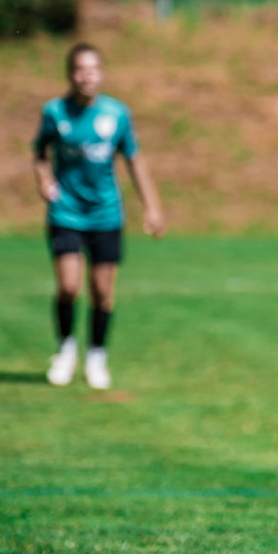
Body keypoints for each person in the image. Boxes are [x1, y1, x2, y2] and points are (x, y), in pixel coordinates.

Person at [32, 43, 166, 390]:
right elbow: (39, 152)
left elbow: (134, 160)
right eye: (79, 69)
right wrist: (43, 180)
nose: (86, 76)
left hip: (106, 215)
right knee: (68, 286)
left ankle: (96, 356)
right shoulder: (54, 112)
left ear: (102, 73)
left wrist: (151, 206)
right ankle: (65, 350)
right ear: (69, 73)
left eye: (92, 69)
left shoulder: (117, 114)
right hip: (66, 212)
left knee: (103, 292)